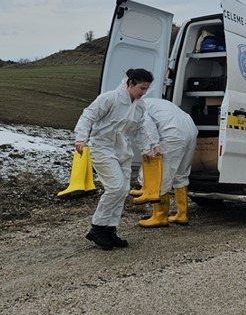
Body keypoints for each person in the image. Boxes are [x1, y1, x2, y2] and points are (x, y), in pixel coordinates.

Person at [75, 68, 159, 250]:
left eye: (146, 89)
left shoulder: (140, 106)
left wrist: (147, 148)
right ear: (130, 84)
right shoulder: (109, 99)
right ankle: (97, 228)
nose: (144, 93)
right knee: (115, 187)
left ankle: (109, 229)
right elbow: (88, 115)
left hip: (122, 151)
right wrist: (81, 138)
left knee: (123, 190)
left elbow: (139, 129)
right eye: (141, 88)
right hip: (102, 148)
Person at [135, 98, 199, 227]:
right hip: (190, 129)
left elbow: (147, 125)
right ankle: (182, 214)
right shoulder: (152, 102)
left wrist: (151, 146)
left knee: (160, 176)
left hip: (172, 133)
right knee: (181, 173)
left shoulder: (135, 106)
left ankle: (160, 216)